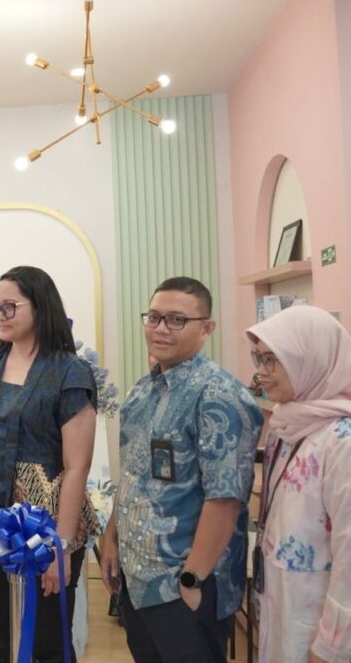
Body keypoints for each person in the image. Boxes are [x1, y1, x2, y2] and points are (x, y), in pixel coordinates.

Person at [99, 276, 263, 663]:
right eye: (154, 317)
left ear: (206, 328)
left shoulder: (220, 395)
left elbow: (225, 499)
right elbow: (133, 475)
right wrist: (112, 538)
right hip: (138, 577)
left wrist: (192, 579)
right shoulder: (143, 390)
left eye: (176, 320)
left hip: (184, 584)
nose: (160, 328)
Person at [0, 265, 99, 663]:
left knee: (48, 642)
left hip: (48, 526)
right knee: (9, 636)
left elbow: (77, 466)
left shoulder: (69, 372)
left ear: (40, 307)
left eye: (10, 307)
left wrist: (61, 545)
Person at [246, 305, 351, 663]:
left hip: (319, 622)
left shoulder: (341, 440)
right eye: (259, 358)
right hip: (282, 607)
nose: (262, 372)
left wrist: (331, 647)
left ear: (310, 359)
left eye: (272, 359)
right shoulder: (287, 424)